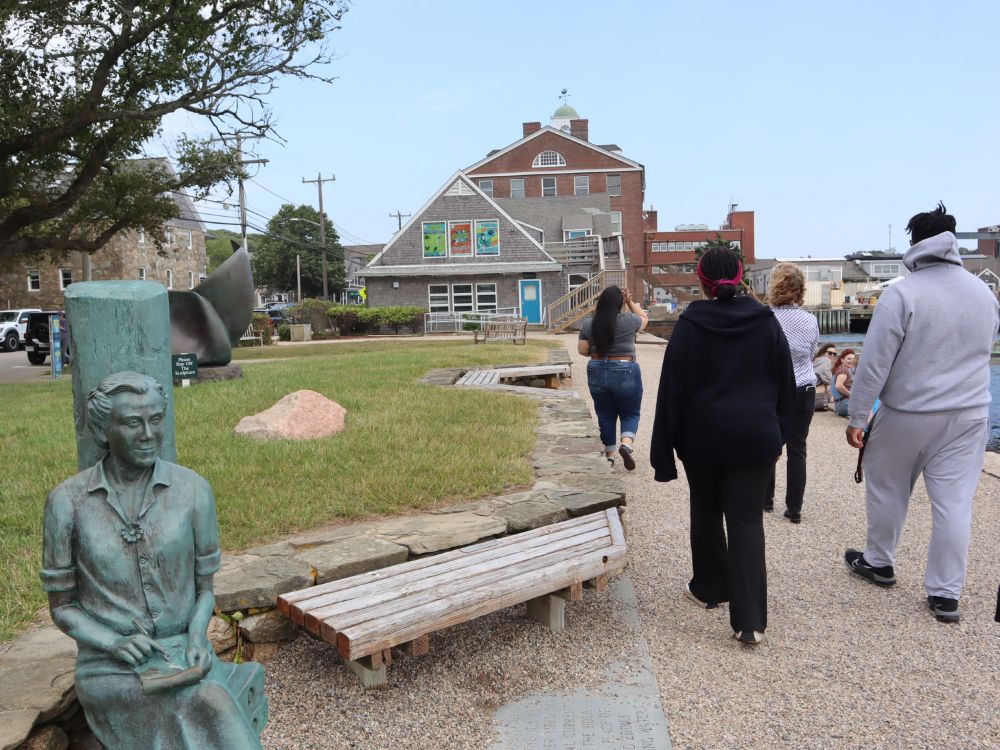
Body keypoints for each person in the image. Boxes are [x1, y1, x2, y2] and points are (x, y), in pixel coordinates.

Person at [41, 372, 266, 748]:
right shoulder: (67, 503)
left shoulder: (194, 490)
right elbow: (63, 608)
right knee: (204, 701)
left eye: (156, 419)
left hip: (184, 652)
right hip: (110, 666)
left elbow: (205, 589)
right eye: (132, 422)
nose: (148, 433)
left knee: (204, 697)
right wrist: (113, 643)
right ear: (103, 429)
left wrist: (197, 636)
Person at [844, 202, 999, 624]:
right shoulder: (982, 293)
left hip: (909, 410)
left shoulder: (903, 293)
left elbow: (875, 363)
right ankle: (946, 594)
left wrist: (858, 417)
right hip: (969, 412)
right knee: (954, 504)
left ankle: (879, 561)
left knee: (888, 487)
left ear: (915, 245)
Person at [650, 247, 794, 645]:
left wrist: (664, 453)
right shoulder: (765, 322)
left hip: (703, 437)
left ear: (701, 281)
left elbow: (671, 392)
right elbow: (785, 384)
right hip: (755, 435)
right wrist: (779, 434)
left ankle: (711, 587)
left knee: (706, 509)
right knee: (747, 519)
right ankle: (750, 621)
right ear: (742, 275)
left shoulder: (690, 324)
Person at [764, 263, 820, 522]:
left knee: (771, 444)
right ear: (800, 290)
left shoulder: (767, 318)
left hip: (775, 389)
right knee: (798, 448)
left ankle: (766, 500)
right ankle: (794, 509)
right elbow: (810, 354)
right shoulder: (810, 320)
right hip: (805, 387)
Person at [578, 286, 648, 469]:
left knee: (605, 415)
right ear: (619, 304)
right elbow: (645, 319)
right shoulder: (629, 320)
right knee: (630, 411)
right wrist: (630, 301)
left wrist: (599, 353)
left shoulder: (588, 324)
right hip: (625, 368)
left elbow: (582, 350)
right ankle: (626, 443)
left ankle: (609, 455)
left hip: (597, 369)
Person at [831, 348, 857, 417]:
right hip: (844, 406)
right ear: (842, 360)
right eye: (849, 359)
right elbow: (838, 386)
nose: (851, 361)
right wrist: (851, 395)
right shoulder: (844, 370)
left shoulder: (839, 368)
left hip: (840, 405)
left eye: (853, 359)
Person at [813, 343, 837, 411]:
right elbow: (828, 380)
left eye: (834, 354)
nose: (832, 355)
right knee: (829, 384)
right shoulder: (825, 361)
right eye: (830, 353)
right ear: (823, 352)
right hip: (814, 397)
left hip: (806, 394)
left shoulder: (815, 360)